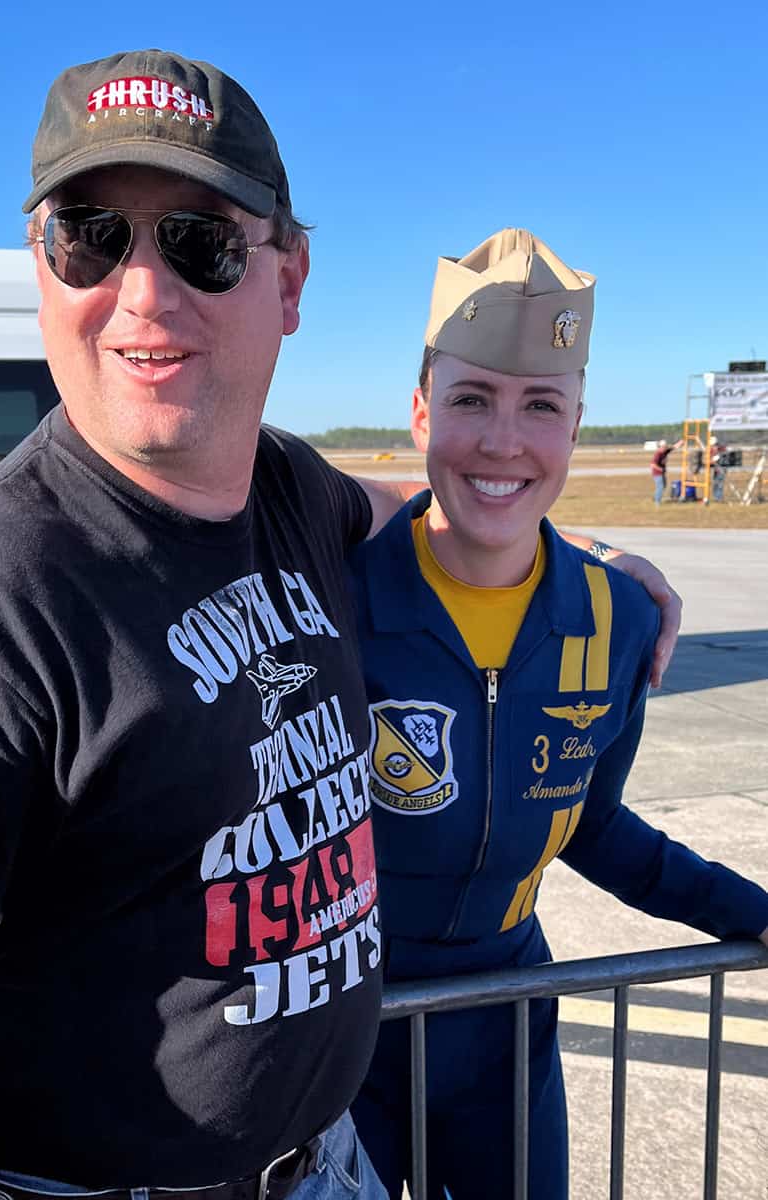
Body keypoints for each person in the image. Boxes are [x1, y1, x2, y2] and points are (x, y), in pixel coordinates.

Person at [0, 53, 680, 1200]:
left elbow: (420, 509)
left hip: (329, 1160)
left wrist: (579, 556)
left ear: (289, 281)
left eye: (202, 244)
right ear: (41, 267)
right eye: (92, 237)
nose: (144, 295)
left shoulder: (286, 489)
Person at [346, 229, 768, 1200]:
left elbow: (595, 827)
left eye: (539, 405)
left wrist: (753, 916)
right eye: (468, 400)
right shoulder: (331, 599)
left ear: (574, 427)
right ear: (418, 414)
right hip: (337, 1035)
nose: (502, 440)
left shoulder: (616, 617)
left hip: (505, 1022)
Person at [650, 437, 681, 503]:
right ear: (660, 447)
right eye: (664, 447)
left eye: (665, 447)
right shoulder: (658, 454)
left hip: (661, 473)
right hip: (657, 473)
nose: (665, 448)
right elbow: (652, 464)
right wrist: (660, 469)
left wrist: (680, 442)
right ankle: (657, 502)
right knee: (660, 487)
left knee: (663, 485)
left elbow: (673, 447)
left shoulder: (665, 452)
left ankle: (655, 498)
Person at [710, 437, 727, 501]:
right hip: (716, 469)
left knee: (720, 483)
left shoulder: (722, 448)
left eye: (715, 445)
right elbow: (710, 458)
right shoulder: (712, 449)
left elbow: (725, 455)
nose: (714, 447)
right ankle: (716, 497)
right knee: (715, 483)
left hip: (722, 468)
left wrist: (719, 456)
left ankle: (719, 498)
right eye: (713, 445)